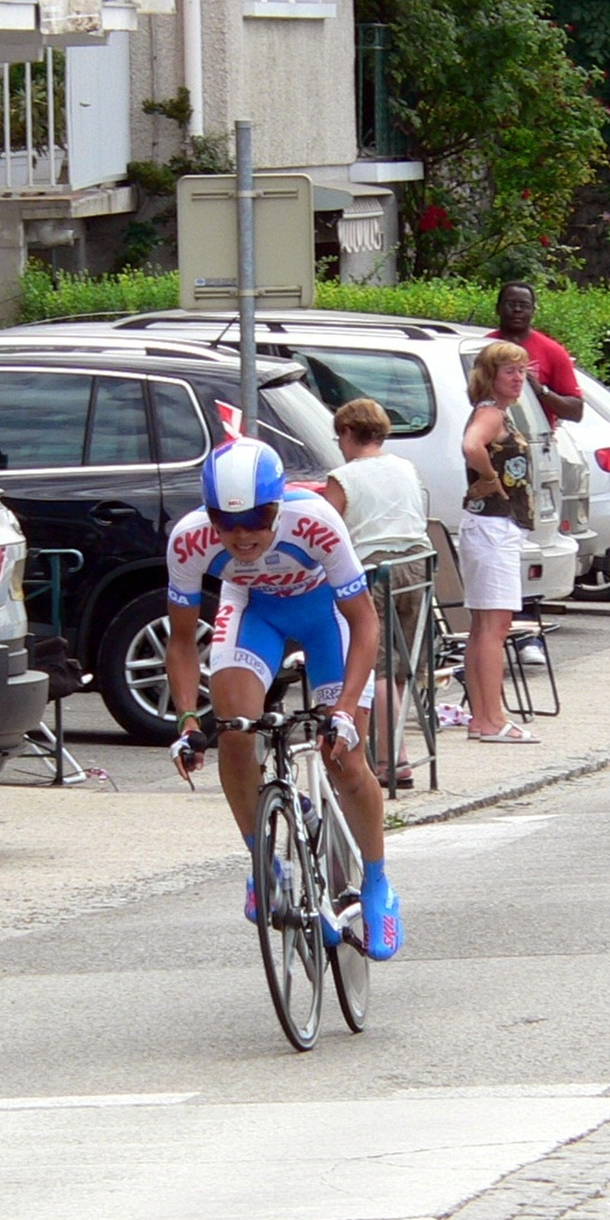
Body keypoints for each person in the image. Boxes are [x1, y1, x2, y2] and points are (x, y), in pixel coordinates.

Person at [164, 437, 403, 960]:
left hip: (326, 615)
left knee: (345, 758)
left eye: (257, 517)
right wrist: (185, 720)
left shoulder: (315, 520)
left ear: (278, 505)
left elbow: (365, 622)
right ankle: (262, 862)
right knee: (233, 730)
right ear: (209, 516)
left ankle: (378, 881)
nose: (243, 535)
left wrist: (343, 709)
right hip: (255, 611)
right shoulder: (189, 540)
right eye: (227, 523)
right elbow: (181, 642)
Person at [326, 398, 432, 790]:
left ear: (349, 433)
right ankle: (396, 747)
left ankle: (391, 760)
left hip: (375, 569)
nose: (340, 444)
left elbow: (328, 527)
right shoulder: (406, 467)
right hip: (418, 565)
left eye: (340, 436)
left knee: (378, 667)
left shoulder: (344, 477)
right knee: (402, 667)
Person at [460, 341, 539, 744]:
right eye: (509, 370)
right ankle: (492, 718)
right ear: (490, 376)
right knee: (495, 626)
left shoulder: (498, 414)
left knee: (483, 626)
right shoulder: (490, 414)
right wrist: (490, 478)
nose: (517, 377)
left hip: (490, 527)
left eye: (521, 370)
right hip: (492, 527)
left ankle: (482, 716)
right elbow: (472, 445)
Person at [488, 281, 584, 424]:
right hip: (488, 437)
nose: (517, 310)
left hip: (534, 440)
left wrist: (539, 391)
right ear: (497, 309)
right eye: (511, 304)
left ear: (533, 311)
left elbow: (576, 412)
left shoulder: (552, 351)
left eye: (524, 305)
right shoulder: (483, 347)